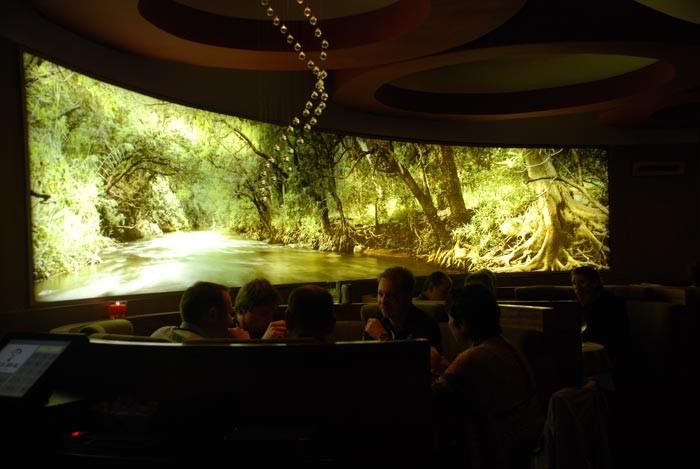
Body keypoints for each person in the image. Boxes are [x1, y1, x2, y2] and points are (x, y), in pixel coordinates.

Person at [430, 285, 544, 468]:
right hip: (526, 449)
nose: (449, 325)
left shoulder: (473, 357)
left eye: (450, 319)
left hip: (500, 453)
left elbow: (432, 397)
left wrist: (433, 363)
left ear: (462, 324)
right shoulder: (506, 346)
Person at [364, 266, 442, 352]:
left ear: (407, 297)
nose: (383, 301)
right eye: (380, 294)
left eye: (390, 296)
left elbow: (407, 360)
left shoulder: (426, 327)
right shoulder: (375, 321)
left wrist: (383, 337)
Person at [571, 265, 630, 367]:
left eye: (582, 283)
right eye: (574, 283)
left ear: (594, 283)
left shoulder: (611, 303)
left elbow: (615, 336)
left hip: (610, 356)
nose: (577, 288)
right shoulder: (577, 304)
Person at [150, 281, 234, 342]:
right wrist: (240, 342)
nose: (232, 320)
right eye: (229, 313)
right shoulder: (212, 352)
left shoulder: (160, 333)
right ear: (212, 314)